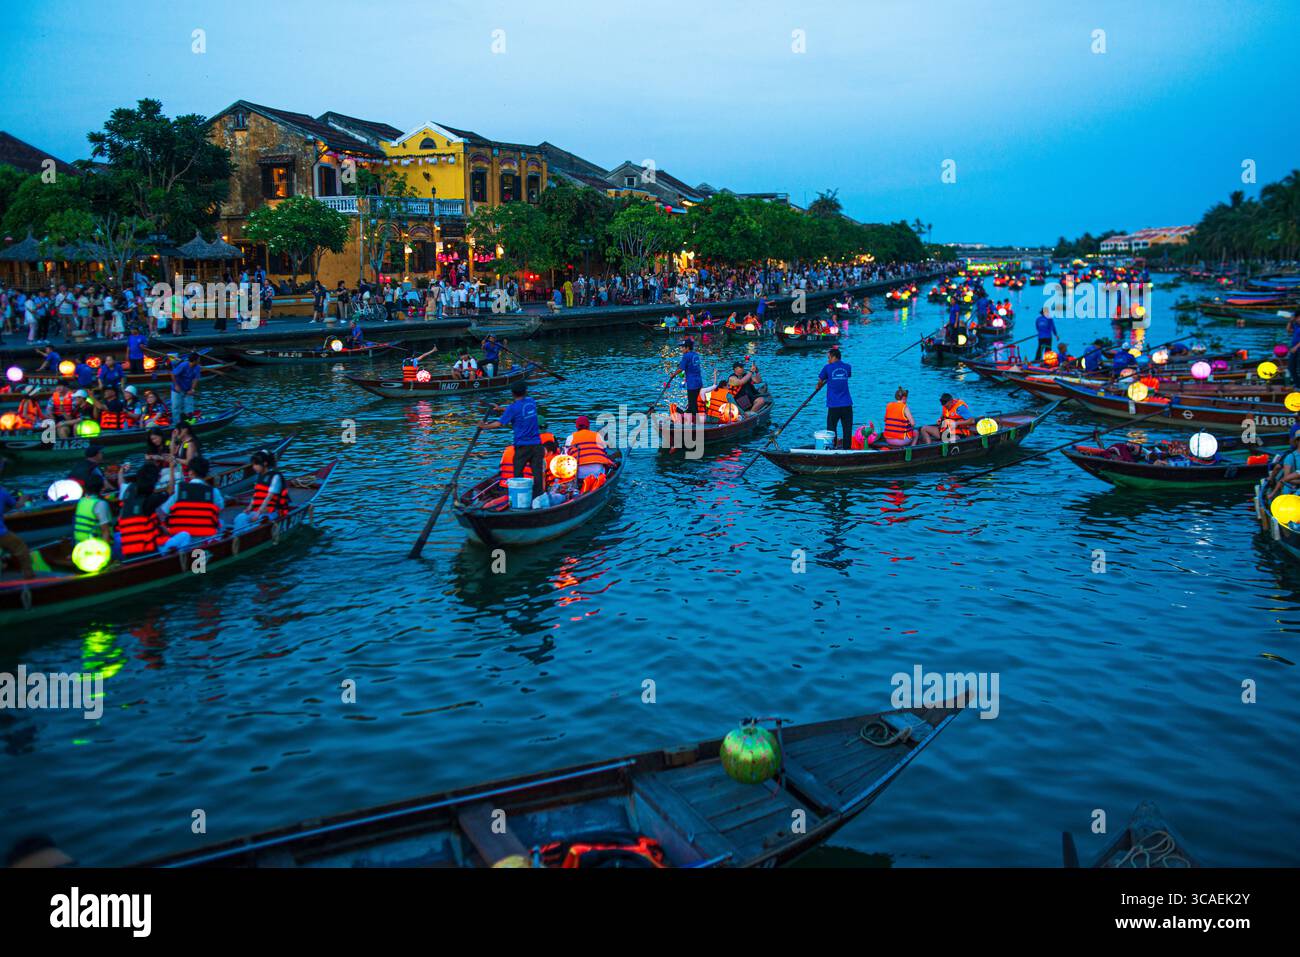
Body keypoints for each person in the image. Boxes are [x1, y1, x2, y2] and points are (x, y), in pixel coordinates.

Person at [483, 381, 546, 501]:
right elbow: (518, 409)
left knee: (518, 474)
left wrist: (483, 426)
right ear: (526, 391)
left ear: (512, 393)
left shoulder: (512, 409)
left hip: (522, 447)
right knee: (537, 474)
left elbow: (499, 423)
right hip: (537, 445)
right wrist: (500, 409)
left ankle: (521, 500)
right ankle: (538, 498)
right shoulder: (531, 402)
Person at [158, 456, 224, 543]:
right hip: (205, 537)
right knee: (221, 522)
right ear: (206, 473)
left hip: (182, 538)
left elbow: (163, 512)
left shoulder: (178, 488)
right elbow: (220, 510)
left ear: (191, 472)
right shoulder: (214, 491)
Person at [117, 462, 170, 558]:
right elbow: (171, 490)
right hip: (150, 553)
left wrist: (120, 473)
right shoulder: (150, 501)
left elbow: (121, 485)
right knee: (184, 535)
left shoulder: (128, 491)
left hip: (128, 554)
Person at [813, 347, 853, 449]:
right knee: (847, 429)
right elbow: (848, 375)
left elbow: (820, 381)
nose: (828, 360)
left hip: (834, 405)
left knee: (831, 429)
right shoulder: (847, 367)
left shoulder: (827, 368)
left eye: (829, 358)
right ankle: (847, 449)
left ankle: (832, 447)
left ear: (834, 357)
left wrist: (818, 387)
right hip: (847, 404)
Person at [0, 460, 34, 579]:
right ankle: (29, 575)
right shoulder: (2, 492)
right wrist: (23, 499)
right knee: (20, 548)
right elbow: (17, 506)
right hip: (1, 533)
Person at [665, 338, 704, 424]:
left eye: (682, 347)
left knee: (692, 404)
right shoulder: (695, 355)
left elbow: (681, 369)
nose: (681, 349)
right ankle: (692, 419)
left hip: (692, 384)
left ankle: (694, 423)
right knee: (695, 403)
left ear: (687, 348)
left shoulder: (686, 356)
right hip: (699, 382)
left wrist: (673, 375)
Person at [564, 415, 613, 481]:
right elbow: (604, 451)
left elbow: (566, 456)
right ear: (589, 426)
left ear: (576, 427)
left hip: (578, 475)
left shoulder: (570, 438)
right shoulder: (598, 435)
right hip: (597, 474)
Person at [245, 448, 289, 520]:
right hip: (259, 510)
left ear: (265, 463)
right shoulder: (259, 476)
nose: (254, 467)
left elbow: (269, 497)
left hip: (273, 511)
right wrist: (249, 507)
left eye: (256, 464)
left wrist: (259, 512)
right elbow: (256, 494)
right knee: (240, 518)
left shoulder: (275, 477)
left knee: (261, 519)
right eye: (253, 465)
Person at [73, 472, 115, 546]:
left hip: (79, 546)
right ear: (102, 488)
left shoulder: (82, 501)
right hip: (94, 548)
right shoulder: (100, 504)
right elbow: (105, 531)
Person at [170, 352, 201, 421]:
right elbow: (173, 374)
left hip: (188, 389)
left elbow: (196, 378)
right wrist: (176, 386)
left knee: (189, 406)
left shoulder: (198, 367)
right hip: (177, 389)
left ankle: (189, 421)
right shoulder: (183, 365)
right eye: (199, 359)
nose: (199, 361)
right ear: (195, 360)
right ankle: (176, 423)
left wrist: (192, 389)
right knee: (176, 407)